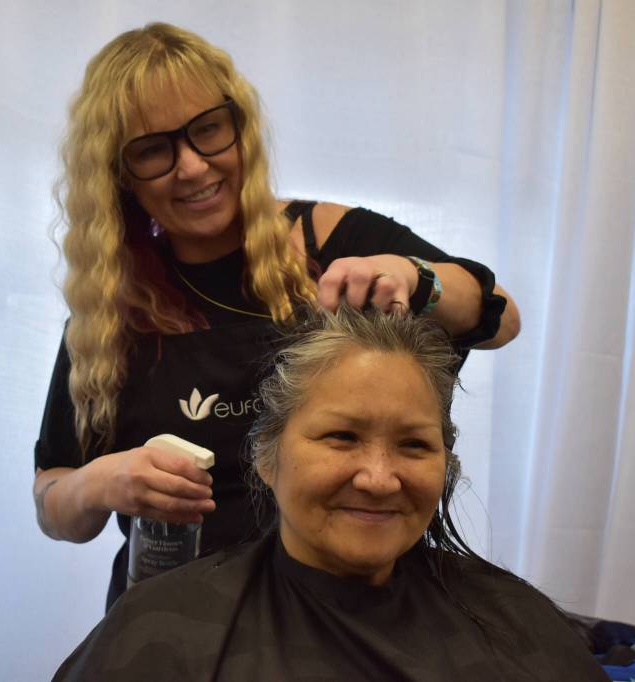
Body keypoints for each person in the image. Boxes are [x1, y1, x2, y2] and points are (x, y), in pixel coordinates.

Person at [34, 22, 521, 610]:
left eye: (208, 131)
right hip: (174, 622)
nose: (191, 167)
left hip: (347, 609)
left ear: (241, 130)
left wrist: (419, 280)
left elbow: (500, 320)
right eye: (153, 150)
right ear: (119, 173)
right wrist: (100, 482)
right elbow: (55, 505)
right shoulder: (112, 309)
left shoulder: (331, 239)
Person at [52, 306, 604, 680]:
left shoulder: (517, 628)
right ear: (267, 456)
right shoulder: (165, 637)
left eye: (413, 445)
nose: (379, 477)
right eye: (342, 437)